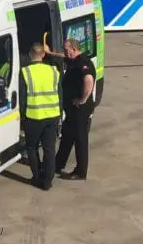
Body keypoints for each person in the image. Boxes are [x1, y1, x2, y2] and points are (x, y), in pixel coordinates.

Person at [45, 38, 96, 180]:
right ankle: (58, 164)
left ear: (74, 48)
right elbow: (64, 57)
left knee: (80, 139)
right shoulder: (73, 59)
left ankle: (80, 172)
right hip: (72, 108)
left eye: (67, 50)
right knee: (67, 135)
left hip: (80, 108)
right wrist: (50, 53)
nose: (65, 53)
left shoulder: (83, 63)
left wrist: (82, 99)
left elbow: (88, 81)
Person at [19, 43, 62, 190]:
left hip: (34, 116)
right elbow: (59, 94)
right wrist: (60, 113)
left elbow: (22, 98)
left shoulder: (25, 72)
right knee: (49, 149)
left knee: (31, 148)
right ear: (43, 55)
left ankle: (37, 177)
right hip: (53, 115)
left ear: (30, 54)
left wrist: (22, 116)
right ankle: (48, 181)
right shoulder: (54, 71)